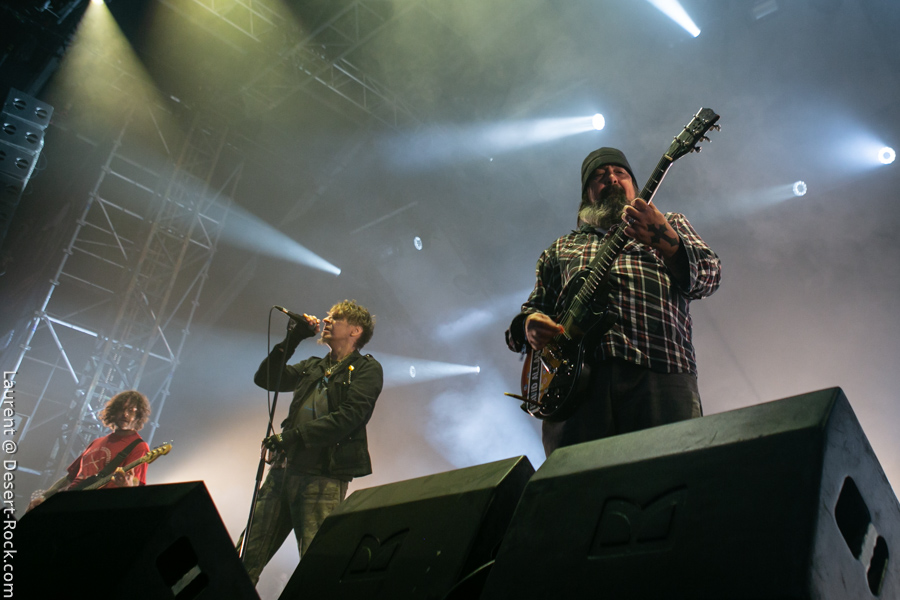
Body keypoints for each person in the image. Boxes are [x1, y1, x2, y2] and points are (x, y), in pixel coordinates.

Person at [506, 147, 722, 457]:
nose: (611, 178)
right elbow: (531, 313)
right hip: (575, 389)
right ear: (587, 195)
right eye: (599, 176)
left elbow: (709, 277)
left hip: (660, 372)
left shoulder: (670, 222)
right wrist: (529, 325)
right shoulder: (560, 249)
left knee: (671, 474)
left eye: (620, 173)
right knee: (579, 484)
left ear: (635, 186)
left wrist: (667, 241)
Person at [242, 299, 383, 586]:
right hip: (283, 472)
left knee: (316, 567)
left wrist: (292, 436)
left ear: (355, 330)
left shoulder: (367, 369)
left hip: (323, 477)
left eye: (336, 318)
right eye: (328, 316)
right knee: (244, 559)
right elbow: (266, 379)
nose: (326, 320)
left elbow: (350, 417)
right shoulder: (313, 366)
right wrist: (293, 338)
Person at [27, 390, 152, 510]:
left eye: (131, 410)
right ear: (114, 412)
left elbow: (136, 488)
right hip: (69, 503)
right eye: (121, 409)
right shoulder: (97, 442)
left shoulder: (138, 447)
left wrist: (127, 489)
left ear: (139, 415)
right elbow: (70, 477)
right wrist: (44, 497)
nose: (125, 414)